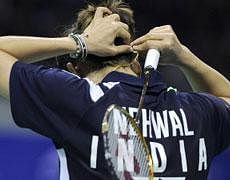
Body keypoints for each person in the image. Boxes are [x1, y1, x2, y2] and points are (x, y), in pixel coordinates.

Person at [0, 0, 229, 179]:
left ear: (75, 67)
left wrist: (79, 43)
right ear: (136, 61)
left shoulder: (78, 100)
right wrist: (183, 56)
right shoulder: (193, 113)